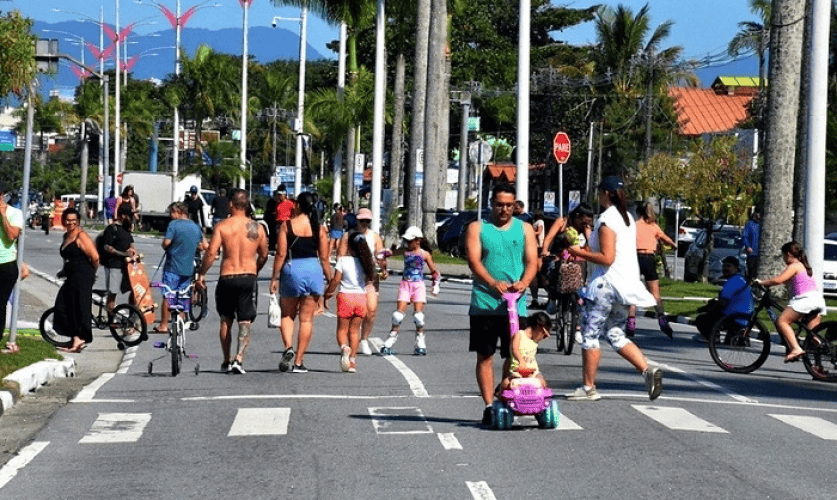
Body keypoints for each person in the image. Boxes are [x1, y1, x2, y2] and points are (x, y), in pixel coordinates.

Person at [565, 176, 663, 402]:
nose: (598, 197)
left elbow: (606, 257)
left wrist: (577, 252)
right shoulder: (626, 217)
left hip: (604, 285)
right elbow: (605, 247)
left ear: (606, 194)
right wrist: (586, 239)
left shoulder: (607, 218)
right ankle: (647, 371)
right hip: (623, 286)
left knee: (590, 334)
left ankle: (588, 387)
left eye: (600, 193)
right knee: (615, 334)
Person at [464, 183, 538, 425]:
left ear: (515, 205)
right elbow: (474, 261)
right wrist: (493, 282)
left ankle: (502, 393)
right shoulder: (478, 228)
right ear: (491, 204)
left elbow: (532, 261)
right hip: (485, 303)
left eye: (509, 205)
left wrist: (524, 282)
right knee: (485, 355)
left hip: (516, 306)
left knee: (516, 356)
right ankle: (488, 405)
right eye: (499, 204)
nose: (504, 209)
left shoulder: (524, 229)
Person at [197, 189, 268, 374]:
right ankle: (239, 359)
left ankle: (226, 360)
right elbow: (264, 255)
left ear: (231, 204)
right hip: (247, 277)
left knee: (226, 319)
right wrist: (255, 269)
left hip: (227, 277)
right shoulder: (257, 228)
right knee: (245, 321)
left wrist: (202, 274)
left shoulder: (222, 226)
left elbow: (211, 253)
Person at [270, 191, 332, 373]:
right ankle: (298, 361)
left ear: (298, 205)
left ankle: (288, 347)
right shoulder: (319, 228)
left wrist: (274, 277)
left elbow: (281, 254)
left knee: (287, 315)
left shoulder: (286, 226)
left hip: (293, 269)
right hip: (313, 270)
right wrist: (329, 280)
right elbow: (325, 257)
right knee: (307, 319)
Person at [755, 241, 827, 362]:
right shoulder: (803, 265)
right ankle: (819, 368)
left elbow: (779, 280)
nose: (783, 258)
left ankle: (795, 349)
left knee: (782, 321)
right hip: (817, 300)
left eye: (783, 255)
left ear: (788, 254)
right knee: (813, 337)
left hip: (806, 300)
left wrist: (762, 282)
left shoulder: (794, 266)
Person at [380, 226, 440, 356]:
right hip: (405, 284)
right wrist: (383, 252)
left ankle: (420, 342)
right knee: (397, 316)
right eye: (406, 241)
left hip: (418, 285)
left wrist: (435, 285)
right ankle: (390, 340)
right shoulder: (405, 251)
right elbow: (389, 253)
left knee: (419, 317)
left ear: (418, 240)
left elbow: (434, 271)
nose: (407, 243)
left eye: (410, 241)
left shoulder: (424, 254)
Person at [323, 231, 377, 373]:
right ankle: (352, 361)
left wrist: (328, 292)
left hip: (345, 297)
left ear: (349, 246)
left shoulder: (343, 261)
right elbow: (368, 280)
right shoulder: (366, 262)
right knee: (354, 331)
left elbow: (336, 280)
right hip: (360, 298)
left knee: (342, 329)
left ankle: (344, 348)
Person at [337, 207, 388, 356]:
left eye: (367, 221)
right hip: (353, 281)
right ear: (356, 221)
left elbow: (380, 258)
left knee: (371, 311)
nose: (365, 223)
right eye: (362, 220)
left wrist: (383, 269)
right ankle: (351, 342)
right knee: (352, 316)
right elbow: (340, 257)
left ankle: (364, 338)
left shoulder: (375, 237)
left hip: (370, 279)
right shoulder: (348, 237)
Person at [626, 201, 678, 338]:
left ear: (637, 213)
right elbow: (666, 239)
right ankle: (662, 320)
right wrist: (673, 245)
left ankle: (631, 323)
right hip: (649, 259)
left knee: (632, 293)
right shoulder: (654, 226)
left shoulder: (633, 225)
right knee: (655, 294)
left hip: (635, 259)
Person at [153, 202, 206, 333]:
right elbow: (203, 246)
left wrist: (166, 245)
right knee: (183, 295)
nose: (171, 216)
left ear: (179, 211)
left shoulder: (173, 225)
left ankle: (164, 325)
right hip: (188, 269)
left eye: (172, 212)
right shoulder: (195, 226)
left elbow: (166, 243)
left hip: (172, 267)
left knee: (168, 295)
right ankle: (181, 321)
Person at [53, 207, 100, 352]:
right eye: (67, 220)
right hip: (72, 275)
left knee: (78, 307)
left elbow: (95, 257)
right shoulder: (66, 236)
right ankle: (74, 337)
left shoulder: (81, 236)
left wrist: (91, 273)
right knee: (64, 305)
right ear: (63, 221)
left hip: (82, 275)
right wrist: (64, 270)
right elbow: (67, 257)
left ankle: (79, 339)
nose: (70, 223)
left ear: (78, 221)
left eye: (74, 220)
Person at [695, 256, 754, 341]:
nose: (725, 268)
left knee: (702, 318)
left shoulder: (732, 281)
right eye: (724, 266)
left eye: (728, 266)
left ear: (736, 267)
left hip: (735, 317)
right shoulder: (741, 279)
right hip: (746, 317)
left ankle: (712, 337)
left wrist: (708, 308)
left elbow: (723, 303)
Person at [497, 312, 552, 393]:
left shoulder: (534, 341)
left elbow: (541, 337)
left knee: (543, 383)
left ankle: (540, 401)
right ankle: (501, 398)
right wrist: (521, 361)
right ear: (539, 328)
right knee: (506, 384)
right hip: (518, 370)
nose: (543, 337)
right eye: (543, 334)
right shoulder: (519, 335)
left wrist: (544, 335)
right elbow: (514, 349)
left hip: (532, 370)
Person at [100, 205, 137, 316]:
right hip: (114, 265)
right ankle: (111, 319)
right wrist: (123, 254)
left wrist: (133, 252)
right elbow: (107, 247)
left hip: (127, 266)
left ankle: (132, 318)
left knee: (134, 291)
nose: (131, 218)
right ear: (122, 215)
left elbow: (131, 245)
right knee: (113, 292)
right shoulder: (112, 229)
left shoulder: (126, 229)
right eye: (130, 216)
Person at [0, 181, 23, 347]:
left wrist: (3, 216)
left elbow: (12, 236)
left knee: (0, 304)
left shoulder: (14, 213)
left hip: (5, 264)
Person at [528, 211, 546, 308]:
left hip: (538, 246)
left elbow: (539, 231)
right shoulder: (536, 222)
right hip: (535, 247)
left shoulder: (540, 222)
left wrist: (530, 232)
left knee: (538, 271)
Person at [742, 210, 761, 280]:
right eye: (757, 214)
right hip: (752, 253)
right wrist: (748, 247)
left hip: (761, 253)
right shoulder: (750, 224)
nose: (759, 216)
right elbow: (745, 236)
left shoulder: (764, 224)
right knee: (751, 271)